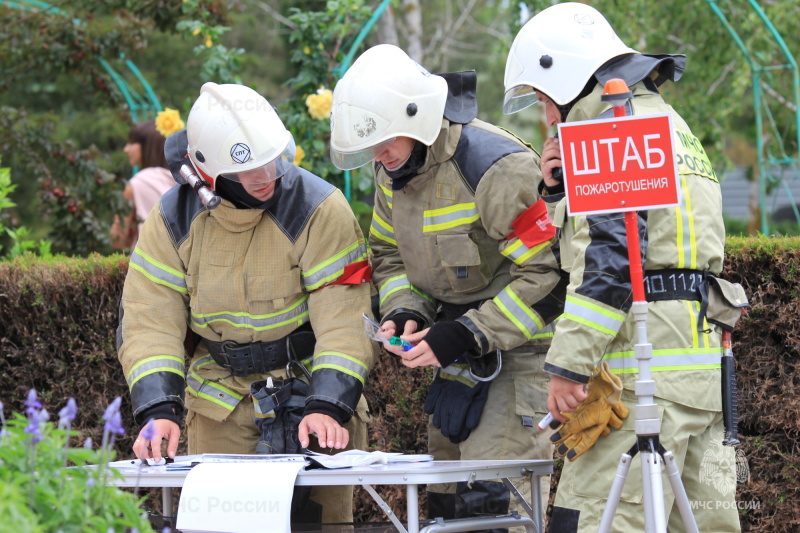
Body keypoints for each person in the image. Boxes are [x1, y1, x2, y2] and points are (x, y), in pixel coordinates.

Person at [503, 3, 742, 532]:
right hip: (701, 371)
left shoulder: (606, 121)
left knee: (587, 520)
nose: (546, 115)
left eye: (544, 99)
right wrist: (561, 193)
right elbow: (651, 237)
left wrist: (568, 367)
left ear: (561, 75)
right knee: (708, 524)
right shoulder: (668, 121)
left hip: (643, 374)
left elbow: (610, 257)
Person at [116, 82, 375, 526]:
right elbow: (147, 319)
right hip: (219, 403)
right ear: (205, 172)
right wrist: (160, 411)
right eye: (249, 169)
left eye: (272, 160)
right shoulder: (172, 219)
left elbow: (346, 320)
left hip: (308, 398)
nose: (267, 176)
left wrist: (329, 404)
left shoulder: (319, 209)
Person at [330, 44, 567, 528]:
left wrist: (465, 333)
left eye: (385, 139)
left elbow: (548, 278)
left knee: (493, 508)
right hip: (459, 359)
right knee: (446, 506)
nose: (378, 154)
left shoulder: (494, 167)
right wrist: (405, 312)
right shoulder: (391, 167)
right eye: (370, 143)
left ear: (416, 116)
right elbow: (389, 254)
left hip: (521, 359)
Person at [111, 120, 174, 250]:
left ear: (148, 146)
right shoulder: (186, 179)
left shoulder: (138, 183)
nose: (126, 149)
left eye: (132, 143)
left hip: (148, 261)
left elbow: (117, 239)